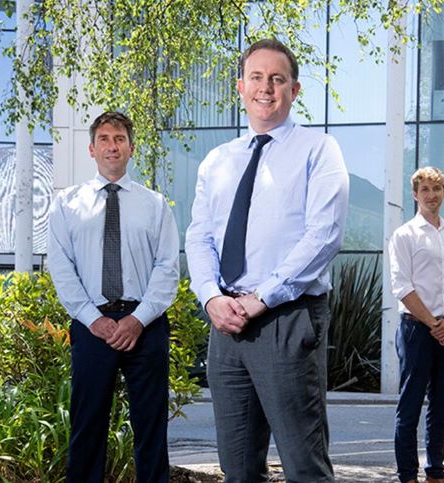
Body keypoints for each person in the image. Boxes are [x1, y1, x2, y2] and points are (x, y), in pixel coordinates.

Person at [184, 38, 349, 482]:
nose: (266, 87)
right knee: (237, 469)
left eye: (277, 79)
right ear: (241, 87)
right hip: (226, 324)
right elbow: (199, 236)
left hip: (287, 318)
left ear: (294, 91)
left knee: (303, 467)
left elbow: (324, 236)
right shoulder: (218, 161)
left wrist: (262, 297)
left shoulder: (320, 150)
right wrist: (210, 299)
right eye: (256, 77)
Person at [48, 111, 180, 483]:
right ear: (92, 149)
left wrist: (138, 320)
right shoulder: (67, 205)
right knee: (87, 423)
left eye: (119, 138)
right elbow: (62, 269)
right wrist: (96, 320)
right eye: (104, 139)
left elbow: (167, 268)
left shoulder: (155, 205)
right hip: (92, 325)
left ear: (131, 148)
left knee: (151, 424)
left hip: (146, 323)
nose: (112, 146)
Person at [389, 166, 444, 483]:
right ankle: (407, 474)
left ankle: (436, 470)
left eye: (437, 190)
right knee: (410, 406)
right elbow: (402, 288)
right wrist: (435, 323)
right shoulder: (404, 235)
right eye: (425, 190)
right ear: (415, 195)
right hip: (416, 330)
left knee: (441, 405)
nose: (431, 196)